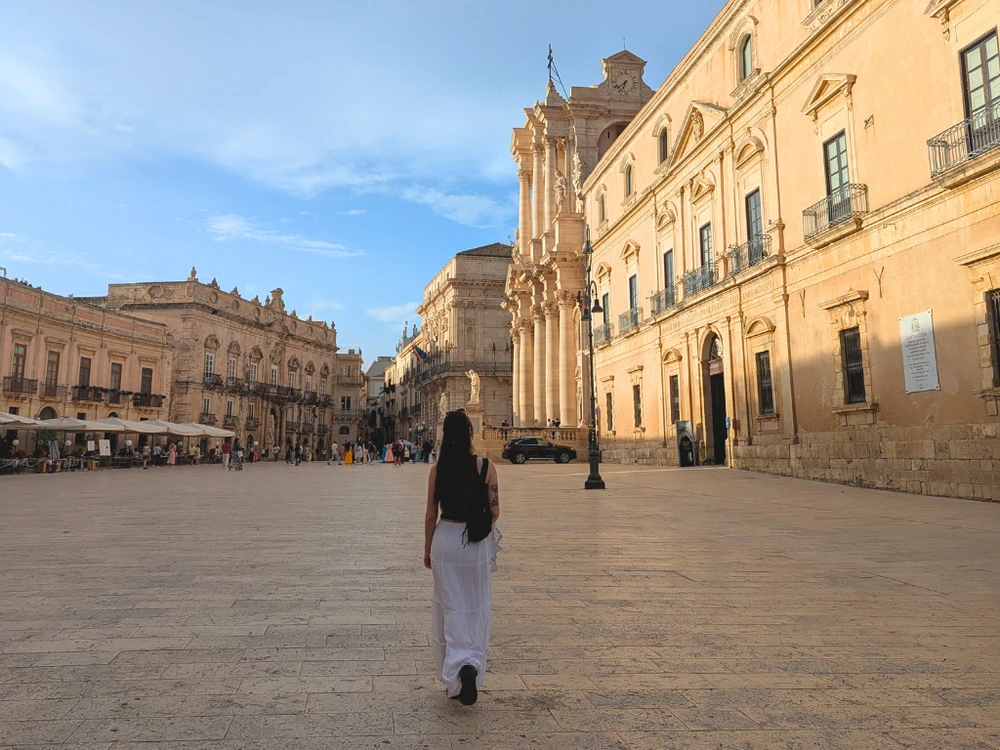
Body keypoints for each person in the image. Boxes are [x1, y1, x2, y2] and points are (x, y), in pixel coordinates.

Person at [424, 410, 500, 706]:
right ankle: (471, 665)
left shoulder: (437, 469)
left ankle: (457, 671)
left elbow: (431, 515)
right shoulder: (486, 467)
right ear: (470, 434)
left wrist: (427, 549)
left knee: (450, 609)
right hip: (475, 544)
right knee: (475, 606)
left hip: (445, 540)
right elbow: (495, 511)